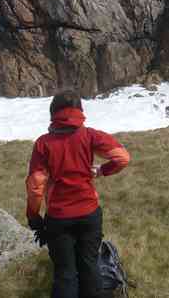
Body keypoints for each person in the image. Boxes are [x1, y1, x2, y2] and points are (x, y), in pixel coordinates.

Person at [26, 91, 131, 298]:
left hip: (58, 217)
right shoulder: (90, 135)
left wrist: (33, 216)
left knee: (65, 273)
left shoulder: (43, 143)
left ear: (53, 113)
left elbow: (36, 184)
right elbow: (122, 158)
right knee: (89, 266)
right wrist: (102, 170)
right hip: (89, 213)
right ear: (80, 111)